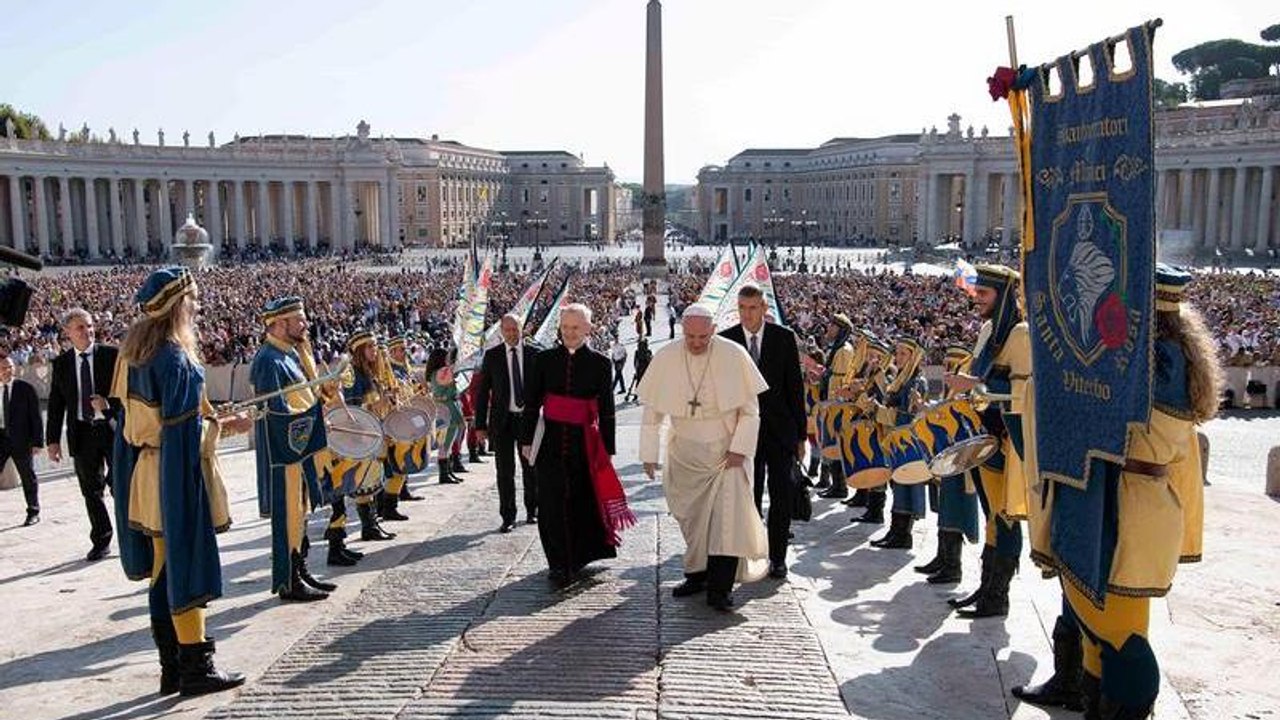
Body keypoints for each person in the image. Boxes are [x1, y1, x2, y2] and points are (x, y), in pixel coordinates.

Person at [1038, 265, 1220, 718]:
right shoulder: (1167, 355)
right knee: (1102, 629)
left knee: (1123, 635)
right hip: (1138, 503)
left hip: (1131, 508)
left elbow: (1108, 418)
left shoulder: (1159, 363)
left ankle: (1130, 710)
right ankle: (1099, 704)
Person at [110, 267, 246, 695]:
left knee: (162, 570)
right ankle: (194, 666)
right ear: (176, 307)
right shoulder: (176, 360)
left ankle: (171, 666)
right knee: (185, 561)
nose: (197, 307)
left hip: (145, 475)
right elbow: (186, 436)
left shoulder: (133, 355)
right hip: (173, 473)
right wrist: (226, 426)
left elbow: (130, 427)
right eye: (192, 300)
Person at [639, 304, 769, 611]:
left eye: (702, 337)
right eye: (690, 336)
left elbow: (751, 411)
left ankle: (720, 590)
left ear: (713, 331)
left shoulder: (734, 354)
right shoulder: (668, 355)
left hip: (726, 455)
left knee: (726, 524)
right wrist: (648, 453)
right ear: (682, 331)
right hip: (684, 454)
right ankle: (697, 576)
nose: (696, 343)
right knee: (693, 522)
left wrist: (739, 448)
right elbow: (652, 411)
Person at [520, 303, 631, 589]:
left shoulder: (600, 363)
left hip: (585, 446)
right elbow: (531, 403)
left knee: (581, 502)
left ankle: (577, 557)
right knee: (551, 505)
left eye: (576, 328)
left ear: (588, 329)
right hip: (550, 444)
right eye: (566, 327)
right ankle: (557, 564)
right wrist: (526, 440)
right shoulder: (543, 360)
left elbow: (607, 409)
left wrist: (607, 448)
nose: (570, 333)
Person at [943, 264, 1028, 619]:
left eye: (984, 294)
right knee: (991, 514)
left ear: (1004, 296)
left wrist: (975, 387)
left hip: (1008, 442)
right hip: (984, 437)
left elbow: (1024, 392)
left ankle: (999, 596)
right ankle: (986, 588)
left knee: (1005, 517)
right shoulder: (990, 330)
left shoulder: (1020, 335)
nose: (976, 299)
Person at [250, 296, 340, 602]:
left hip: (299, 453)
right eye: (298, 320)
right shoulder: (268, 360)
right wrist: (313, 421)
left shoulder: (290, 355)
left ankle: (299, 569)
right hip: (283, 456)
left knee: (300, 515)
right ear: (278, 323)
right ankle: (288, 580)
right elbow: (276, 414)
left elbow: (303, 400)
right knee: (288, 516)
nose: (305, 324)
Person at [720, 284, 806, 578]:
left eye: (753, 308)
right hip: (742, 434)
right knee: (747, 497)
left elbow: (796, 388)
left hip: (780, 433)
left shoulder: (783, 338)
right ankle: (748, 554)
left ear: (764, 309)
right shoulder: (726, 341)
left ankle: (778, 557)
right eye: (742, 308)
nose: (748, 314)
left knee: (781, 497)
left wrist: (801, 436)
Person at [45, 308, 120, 560]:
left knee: (121, 482)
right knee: (90, 490)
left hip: (110, 429)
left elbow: (128, 392)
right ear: (67, 332)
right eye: (80, 327)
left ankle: (134, 534)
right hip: (82, 432)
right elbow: (56, 405)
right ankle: (101, 538)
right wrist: (53, 440)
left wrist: (108, 405)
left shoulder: (111, 355)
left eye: (89, 326)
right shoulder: (62, 364)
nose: (87, 331)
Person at [475, 314, 539, 533]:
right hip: (502, 422)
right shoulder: (492, 356)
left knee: (530, 467)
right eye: (507, 330)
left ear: (522, 329)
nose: (512, 334)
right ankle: (508, 516)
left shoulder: (535, 354)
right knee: (504, 471)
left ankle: (533, 509)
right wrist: (480, 426)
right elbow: (483, 393)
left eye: (515, 329)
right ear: (501, 331)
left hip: (528, 421)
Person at [865, 338, 929, 549]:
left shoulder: (915, 381)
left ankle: (903, 534)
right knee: (898, 485)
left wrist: (876, 409)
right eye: (897, 353)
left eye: (904, 354)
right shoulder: (903, 379)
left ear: (913, 358)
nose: (898, 357)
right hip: (896, 440)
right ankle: (896, 531)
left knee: (905, 485)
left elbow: (903, 415)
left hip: (907, 442)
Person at [0, 354, 43, 526]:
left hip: (21, 439)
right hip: (1, 438)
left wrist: (38, 441)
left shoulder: (25, 389)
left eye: (10, 367)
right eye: (3, 368)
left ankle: (33, 511)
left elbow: (36, 416)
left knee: (27, 476)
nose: (7, 371)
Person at [425, 347, 465, 485]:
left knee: (447, 442)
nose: (449, 359)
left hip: (443, 407)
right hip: (448, 409)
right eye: (447, 357)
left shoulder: (435, 373)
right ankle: (444, 474)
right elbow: (456, 368)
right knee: (446, 444)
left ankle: (447, 472)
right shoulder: (443, 371)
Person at [625, 337, 652, 403]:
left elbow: (635, 362)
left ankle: (636, 395)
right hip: (646, 368)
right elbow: (650, 361)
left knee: (638, 382)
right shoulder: (648, 351)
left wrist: (636, 369)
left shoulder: (637, 352)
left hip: (639, 368)